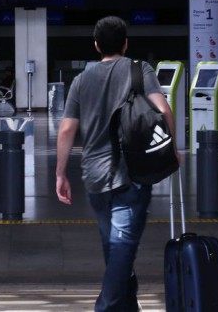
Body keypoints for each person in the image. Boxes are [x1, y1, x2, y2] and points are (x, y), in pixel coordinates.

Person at [55, 16, 182, 311]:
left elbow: (66, 129)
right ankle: (106, 306)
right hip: (131, 173)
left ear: (96, 45)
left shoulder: (81, 80)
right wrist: (173, 150)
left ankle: (128, 305)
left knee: (113, 247)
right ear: (125, 43)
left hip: (94, 177)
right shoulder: (140, 69)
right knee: (122, 248)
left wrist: (60, 174)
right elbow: (164, 110)